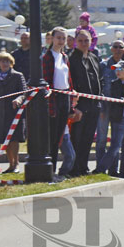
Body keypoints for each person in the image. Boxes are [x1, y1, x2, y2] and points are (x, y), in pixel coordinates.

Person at [42, 27, 77, 172]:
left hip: (65, 97)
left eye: (64, 38)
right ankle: (50, 170)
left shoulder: (64, 56)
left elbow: (68, 80)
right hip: (53, 98)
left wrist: (71, 104)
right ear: (52, 39)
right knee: (53, 138)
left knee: (59, 136)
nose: (61, 41)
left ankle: (54, 171)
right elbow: (46, 81)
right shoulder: (47, 57)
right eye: (58, 38)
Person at [68, 29, 102, 177]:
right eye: (80, 40)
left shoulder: (94, 58)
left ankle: (83, 167)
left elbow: (99, 79)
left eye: (86, 40)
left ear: (91, 41)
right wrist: (74, 107)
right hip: (80, 106)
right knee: (77, 138)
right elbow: (70, 82)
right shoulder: (71, 58)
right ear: (76, 41)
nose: (83, 43)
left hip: (94, 105)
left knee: (88, 138)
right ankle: (73, 168)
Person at [94, 60, 124, 177]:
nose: (117, 72)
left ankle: (123, 172)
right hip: (119, 118)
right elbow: (117, 98)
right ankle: (100, 169)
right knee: (115, 145)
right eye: (116, 70)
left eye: (120, 69)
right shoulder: (114, 84)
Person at [97, 40, 124, 166]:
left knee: (116, 139)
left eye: (121, 47)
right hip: (105, 106)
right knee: (102, 138)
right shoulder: (103, 65)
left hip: (119, 108)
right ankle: (100, 166)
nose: (118, 49)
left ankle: (114, 168)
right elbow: (99, 85)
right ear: (111, 49)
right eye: (115, 47)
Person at [0, 51, 27, 173]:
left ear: (11, 63)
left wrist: (18, 99)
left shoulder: (17, 75)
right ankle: (6, 166)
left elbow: (23, 92)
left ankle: (14, 164)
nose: (4, 63)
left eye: (7, 61)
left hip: (13, 113)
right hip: (0, 114)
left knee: (13, 139)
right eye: (2, 61)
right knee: (3, 138)